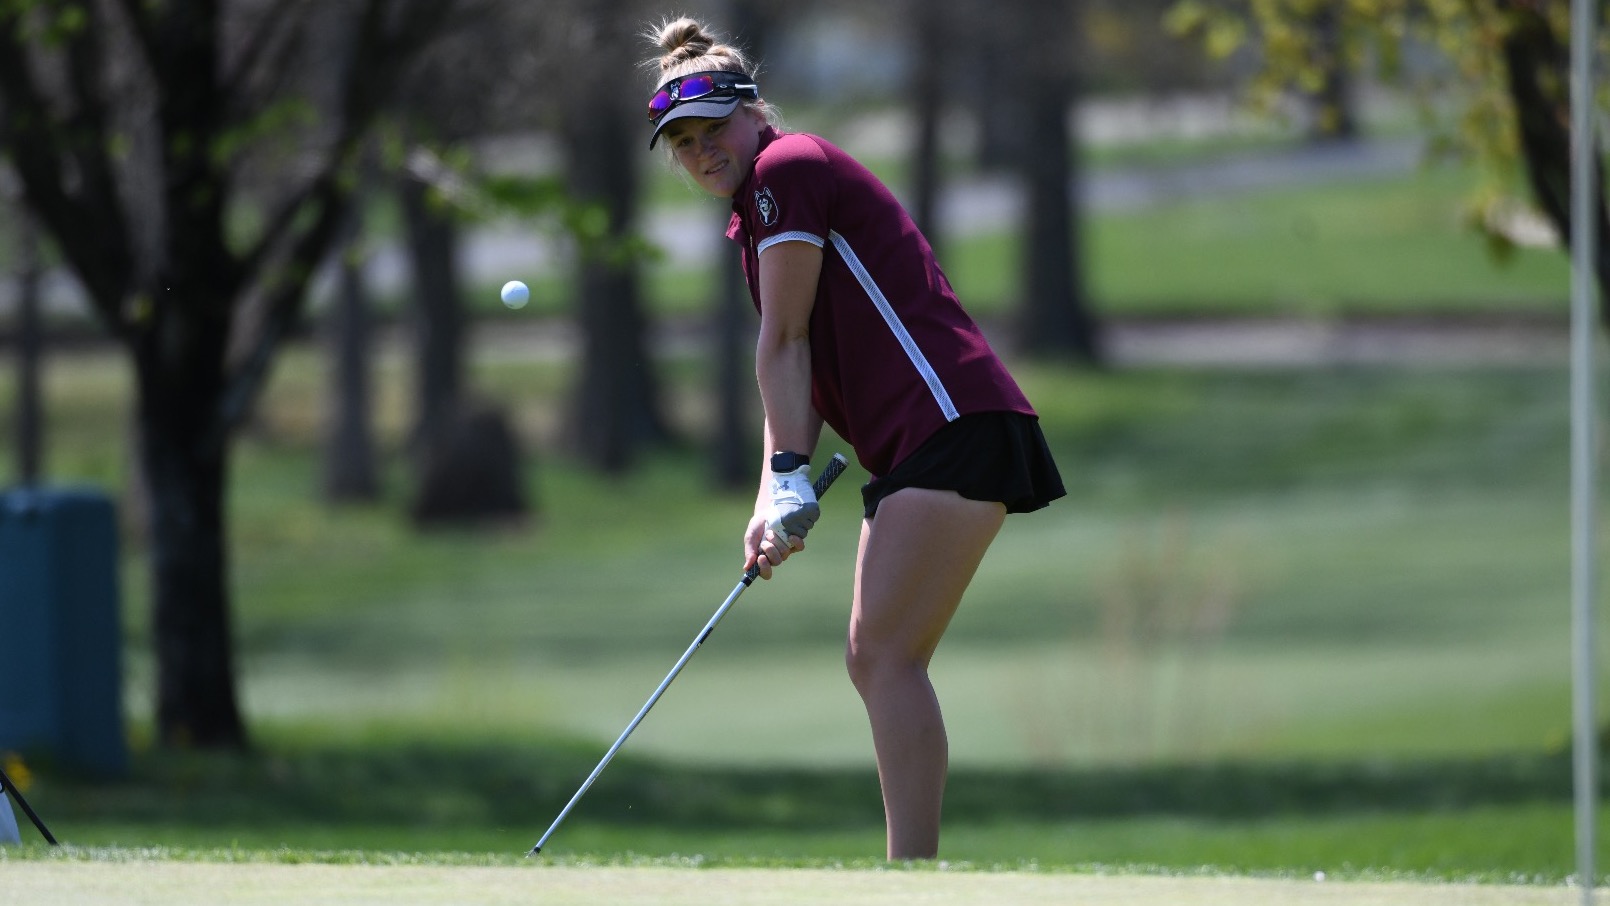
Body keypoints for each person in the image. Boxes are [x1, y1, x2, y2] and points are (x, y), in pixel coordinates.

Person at [645, 16, 1066, 861]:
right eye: (682, 144)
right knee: (876, 657)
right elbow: (795, 368)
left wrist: (788, 474)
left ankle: (912, 877)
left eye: (713, 128)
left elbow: (784, 342)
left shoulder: (787, 169)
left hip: (949, 419)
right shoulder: (759, 208)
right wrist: (773, 493)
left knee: (883, 657)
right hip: (938, 432)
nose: (701, 152)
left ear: (754, 111)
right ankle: (912, 871)